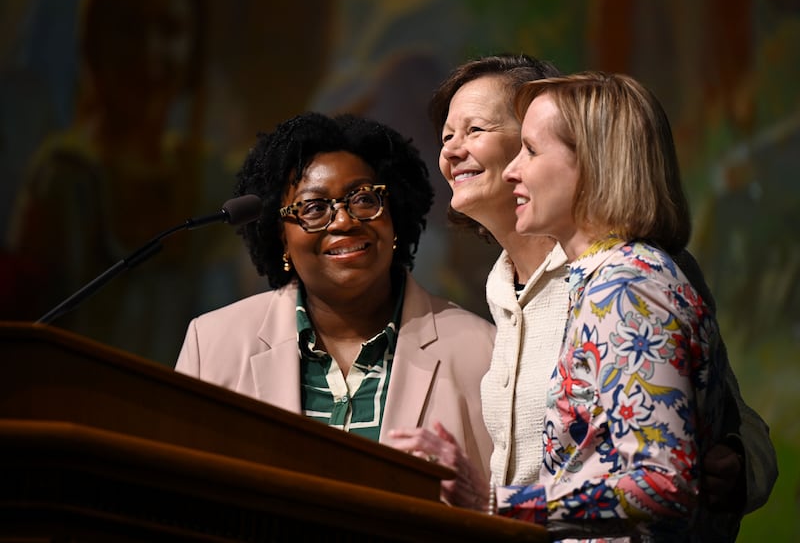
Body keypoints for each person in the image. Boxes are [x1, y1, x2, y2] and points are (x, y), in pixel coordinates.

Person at [389, 55, 777, 536]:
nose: (451, 151)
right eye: (446, 135)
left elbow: (678, 462)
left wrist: (492, 502)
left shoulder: (632, 281)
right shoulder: (507, 286)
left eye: (476, 130)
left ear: (587, 154)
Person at [174, 111, 495, 492]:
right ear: (281, 238)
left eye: (363, 199)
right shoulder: (211, 344)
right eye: (313, 208)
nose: (343, 221)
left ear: (394, 218)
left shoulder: (482, 351)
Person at [491, 71, 730, 538]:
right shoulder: (614, 279)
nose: (510, 170)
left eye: (531, 151)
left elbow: (663, 482)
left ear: (595, 164)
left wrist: (498, 504)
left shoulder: (626, 289)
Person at [6, 0, 236, 364]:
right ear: (96, 38)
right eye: (129, 28)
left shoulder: (211, 186)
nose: (149, 53)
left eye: (169, 30)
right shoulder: (65, 178)